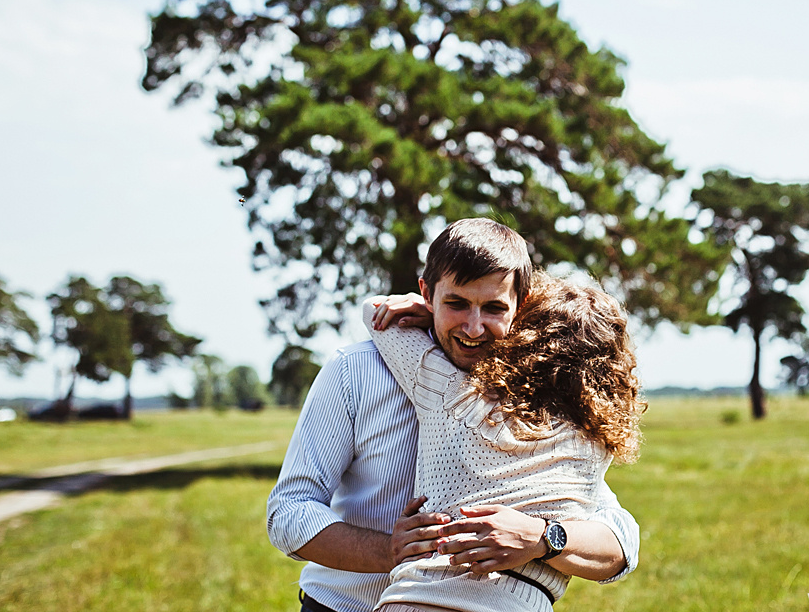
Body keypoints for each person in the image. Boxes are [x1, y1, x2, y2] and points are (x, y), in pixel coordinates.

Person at [268, 219, 640, 612]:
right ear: (426, 293)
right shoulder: (356, 370)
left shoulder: (536, 397)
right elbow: (289, 511)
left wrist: (542, 536)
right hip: (337, 607)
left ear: (520, 303)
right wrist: (389, 551)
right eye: (457, 303)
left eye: (493, 307)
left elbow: (619, 539)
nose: (474, 328)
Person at [364, 266, 644, 612]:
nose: (476, 327)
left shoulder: (454, 396)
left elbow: (376, 313)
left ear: (520, 338)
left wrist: (436, 312)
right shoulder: (595, 447)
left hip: (414, 600)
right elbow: (626, 545)